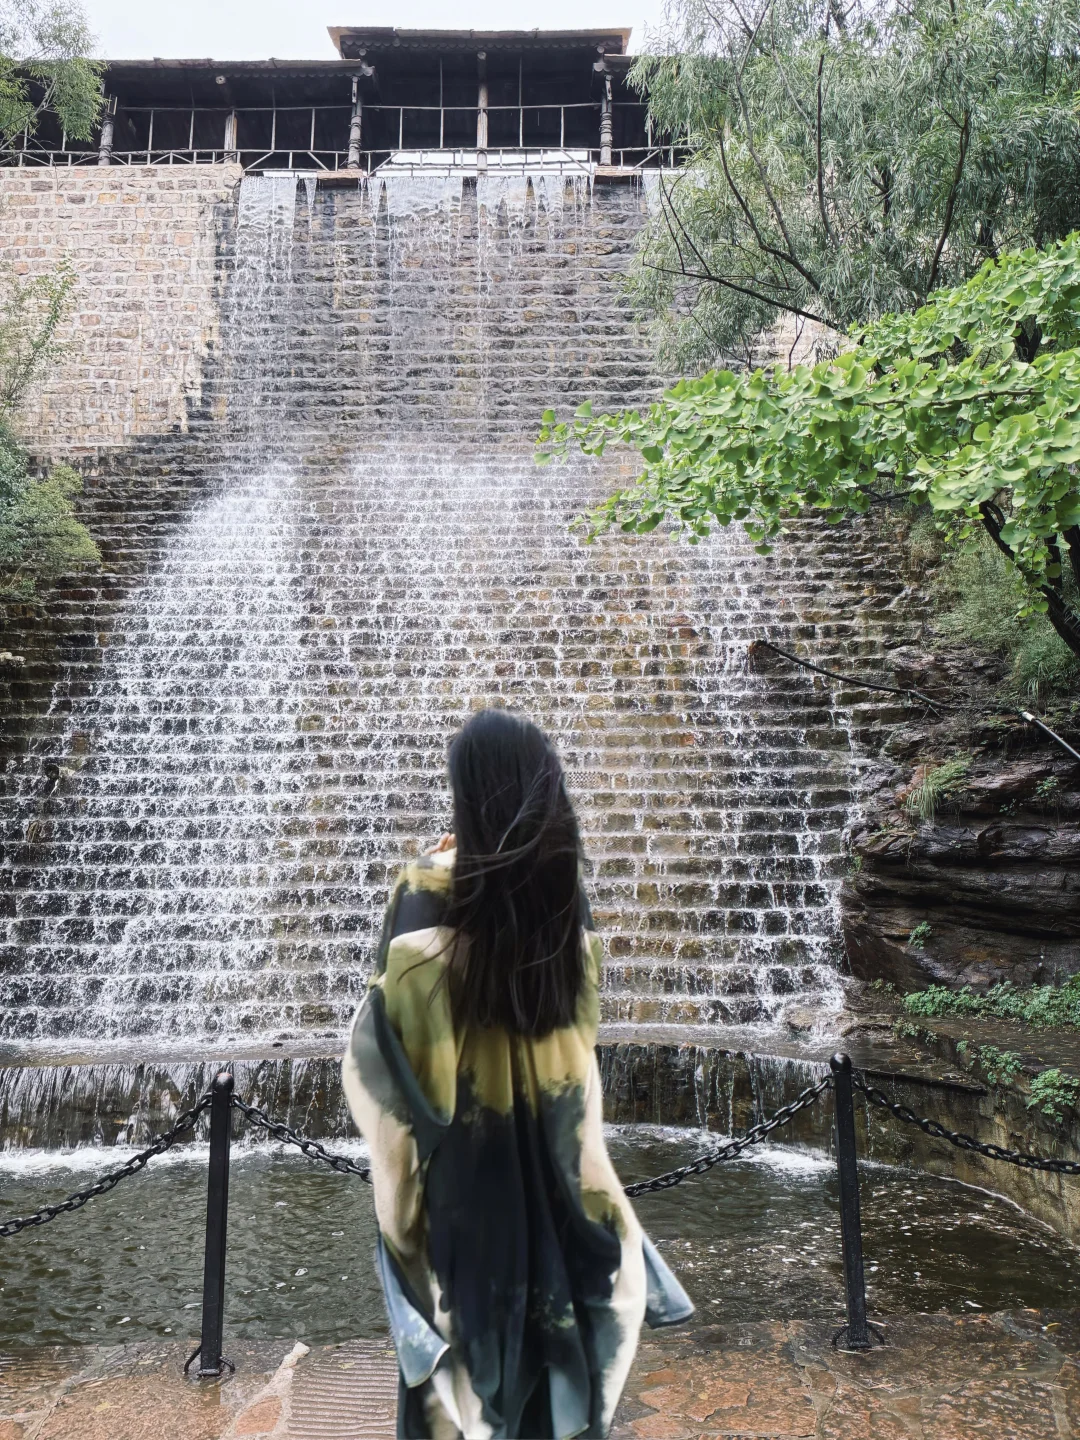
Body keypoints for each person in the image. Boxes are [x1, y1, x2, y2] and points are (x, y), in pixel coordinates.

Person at [342, 708, 693, 1440]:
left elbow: (389, 1058)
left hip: (466, 1192)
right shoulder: (566, 901)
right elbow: (578, 1045)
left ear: (468, 793)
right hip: (558, 1174)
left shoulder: (420, 894)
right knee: (551, 1376)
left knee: (460, 1394)